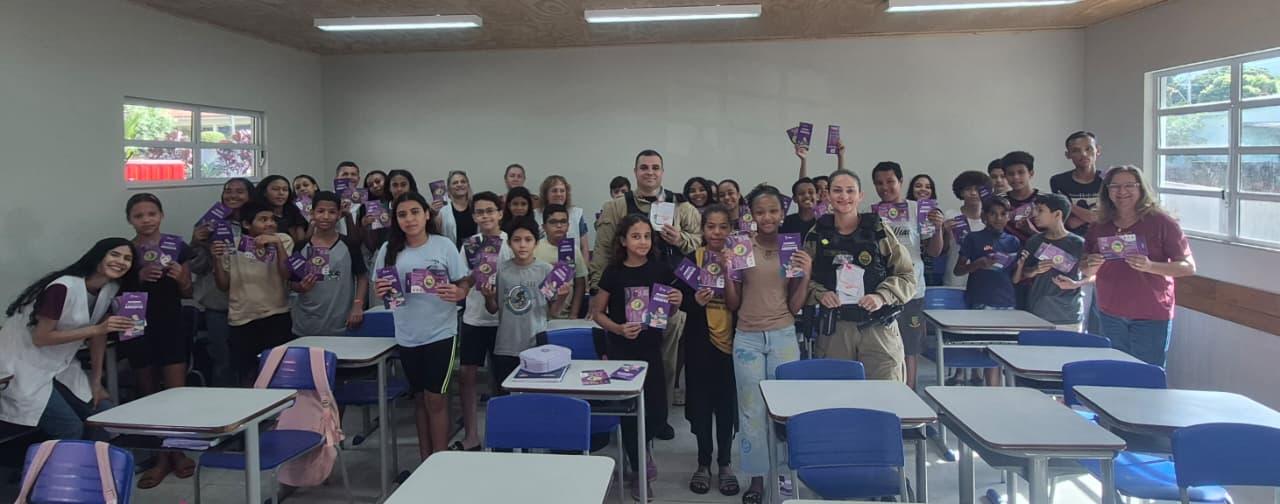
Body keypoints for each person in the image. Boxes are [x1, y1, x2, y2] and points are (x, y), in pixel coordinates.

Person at [590, 149, 702, 442]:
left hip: (667, 292)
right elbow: (602, 249)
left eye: (655, 167)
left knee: (664, 361)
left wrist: (681, 239)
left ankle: (658, 416)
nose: (649, 172)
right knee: (625, 358)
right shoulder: (615, 207)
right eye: (644, 167)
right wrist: (597, 287)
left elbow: (699, 243)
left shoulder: (683, 207)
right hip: (623, 298)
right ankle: (626, 418)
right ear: (635, 171)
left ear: (662, 172)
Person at [0, 238, 135, 443]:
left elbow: (100, 335)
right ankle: (50, 474)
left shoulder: (110, 289)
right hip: (21, 366)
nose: (121, 261)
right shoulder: (63, 287)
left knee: (105, 417)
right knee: (70, 428)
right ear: (98, 256)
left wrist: (96, 382)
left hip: (59, 365)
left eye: (127, 258)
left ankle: (93, 468)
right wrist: (97, 328)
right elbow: (41, 337)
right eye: (114, 254)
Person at [726, 184, 812, 504]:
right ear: (751, 214)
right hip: (747, 336)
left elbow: (794, 307)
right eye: (760, 211)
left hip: (783, 335)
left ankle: (782, 473)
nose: (767, 217)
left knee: (783, 411)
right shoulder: (740, 247)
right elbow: (733, 304)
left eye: (773, 211)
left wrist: (806, 274)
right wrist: (727, 272)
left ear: (781, 213)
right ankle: (758, 478)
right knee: (751, 412)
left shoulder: (791, 247)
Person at [591, 213, 684, 500]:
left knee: (656, 411)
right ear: (623, 241)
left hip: (650, 348)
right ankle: (638, 471)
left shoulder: (661, 269)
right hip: (622, 350)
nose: (642, 241)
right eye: (635, 236)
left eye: (646, 236)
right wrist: (618, 328)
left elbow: (667, 310)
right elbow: (597, 313)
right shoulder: (613, 272)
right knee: (630, 413)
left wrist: (675, 302)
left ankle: (642, 451)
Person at [373, 192, 471, 460]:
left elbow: (464, 282)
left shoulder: (444, 246)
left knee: (436, 398)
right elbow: (379, 285)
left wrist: (459, 292)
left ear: (427, 214)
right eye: (402, 214)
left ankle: (440, 462)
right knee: (419, 399)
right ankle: (425, 459)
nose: (409, 219)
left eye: (415, 212)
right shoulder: (388, 249)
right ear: (396, 219)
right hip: (407, 334)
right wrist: (381, 289)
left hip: (441, 331)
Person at [804, 169, 916, 379]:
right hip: (836, 329)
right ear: (827, 195)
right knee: (837, 398)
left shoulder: (879, 231)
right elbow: (802, 280)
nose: (844, 197)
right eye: (837, 190)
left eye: (850, 191)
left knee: (887, 398)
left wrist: (882, 296)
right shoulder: (817, 234)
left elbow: (907, 276)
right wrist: (820, 294)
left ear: (860, 196)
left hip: (878, 326)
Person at [1081, 166, 1195, 367]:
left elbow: (1187, 267)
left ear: (1141, 188)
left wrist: (1150, 266)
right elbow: (1085, 268)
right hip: (1109, 312)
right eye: (1114, 186)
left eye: (1129, 185)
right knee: (1114, 372)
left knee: (1146, 376)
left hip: (1150, 313)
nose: (1121, 191)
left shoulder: (1162, 222)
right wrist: (1091, 265)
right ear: (1106, 191)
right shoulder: (1100, 224)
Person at [123, 194, 197, 487]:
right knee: (149, 393)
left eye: (151, 213)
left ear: (161, 215)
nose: (146, 220)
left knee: (176, 395)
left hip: (170, 323)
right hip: (137, 326)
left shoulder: (177, 246)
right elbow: (117, 290)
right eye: (139, 215)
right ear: (130, 220)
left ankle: (176, 451)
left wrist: (180, 278)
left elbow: (189, 291)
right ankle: (159, 457)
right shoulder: (125, 251)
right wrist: (138, 276)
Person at [675, 205, 739, 497]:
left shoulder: (740, 259)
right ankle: (703, 463)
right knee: (700, 407)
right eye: (711, 227)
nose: (717, 232)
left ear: (731, 229)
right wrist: (695, 301)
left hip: (734, 345)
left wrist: (728, 272)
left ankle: (725, 463)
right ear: (702, 230)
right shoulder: (691, 260)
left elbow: (750, 299)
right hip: (700, 345)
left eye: (723, 227)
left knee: (727, 407)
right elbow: (678, 300)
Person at [870, 162, 942, 391]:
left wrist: (938, 229)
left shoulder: (918, 209)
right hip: (883, 289)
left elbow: (933, 251)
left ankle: (910, 390)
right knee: (884, 343)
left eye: (890, 181)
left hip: (913, 288)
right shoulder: (872, 214)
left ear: (900, 182)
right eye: (879, 183)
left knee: (910, 345)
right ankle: (890, 388)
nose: (885, 187)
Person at [481, 217, 571, 388]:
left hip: (537, 345)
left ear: (536, 243)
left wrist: (562, 297)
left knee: (535, 394)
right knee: (505, 395)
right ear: (509, 243)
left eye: (528, 240)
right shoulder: (501, 271)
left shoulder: (546, 270)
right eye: (517, 240)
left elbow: (553, 313)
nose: (522, 245)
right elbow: (493, 309)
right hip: (505, 346)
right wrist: (488, 297)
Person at [212, 200, 295, 384]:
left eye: (272, 219)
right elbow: (223, 285)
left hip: (277, 314)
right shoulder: (231, 244)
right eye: (263, 220)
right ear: (247, 224)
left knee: (279, 373)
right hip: (242, 318)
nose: (270, 224)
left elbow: (286, 274)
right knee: (247, 375)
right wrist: (217, 260)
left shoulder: (283, 239)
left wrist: (278, 245)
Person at [455, 191, 513, 452]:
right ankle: (471, 435)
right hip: (474, 319)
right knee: (467, 376)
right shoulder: (469, 244)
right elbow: (461, 279)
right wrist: (471, 281)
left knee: (503, 381)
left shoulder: (511, 242)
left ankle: (503, 434)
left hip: (504, 321)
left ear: (500, 213)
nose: (485, 216)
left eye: (490, 210)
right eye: (479, 212)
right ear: (474, 215)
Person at [188, 177, 253, 387]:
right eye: (228, 190)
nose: (233, 195)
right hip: (219, 304)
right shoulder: (206, 224)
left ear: (251, 195)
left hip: (252, 304)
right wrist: (198, 243)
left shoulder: (259, 222)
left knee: (250, 361)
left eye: (239, 191)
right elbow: (196, 267)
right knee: (222, 361)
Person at [955, 196, 1020, 386]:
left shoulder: (1013, 241)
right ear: (984, 216)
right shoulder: (973, 238)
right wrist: (976, 265)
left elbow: (1016, 276)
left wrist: (1022, 264)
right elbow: (958, 270)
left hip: (1007, 301)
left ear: (1009, 217)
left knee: (1004, 350)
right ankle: (991, 389)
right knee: (987, 349)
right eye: (993, 214)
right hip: (980, 299)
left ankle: (998, 390)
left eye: (1003, 214)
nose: (998, 218)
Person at [291, 191, 369, 337]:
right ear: (312, 213)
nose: (326, 216)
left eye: (332, 212)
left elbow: (362, 276)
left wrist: (358, 306)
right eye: (320, 211)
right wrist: (300, 286)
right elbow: (292, 282)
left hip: (341, 322)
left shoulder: (350, 244)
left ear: (339, 215)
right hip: (306, 323)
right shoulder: (300, 246)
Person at [1014, 194, 1086, 332]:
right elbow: (1023, 273)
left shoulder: (1079, 244)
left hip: (1069, 314)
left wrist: (1076, 284)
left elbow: (1094, 275)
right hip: (1037, 312)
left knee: (1069, 352)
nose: (1035, 214)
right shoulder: (1034, 241)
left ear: (1057, 214)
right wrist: (1035, 270)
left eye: (1040, 210)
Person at [533, 204, 587, 319]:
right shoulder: (535, 249)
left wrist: (574, 314)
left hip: (567, 316)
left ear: (568, 226)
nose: (559, 226)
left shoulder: (574, 250)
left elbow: (580, 284)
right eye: (553, 222)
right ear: (544, 226)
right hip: (540, 316)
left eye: (563, 222)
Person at [942, 171, 992, 287]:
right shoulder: (950, 215)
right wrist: (945, 232)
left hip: (983, 283)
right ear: (961, 192)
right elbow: (942, 251)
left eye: (978, 189)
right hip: (954, 280)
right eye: (968, 189)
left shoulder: (992, 220)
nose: (973, 193)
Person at [1052, 131, 1103, 237]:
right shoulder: (1059, 181)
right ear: (1068, 155)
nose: (1083, 154)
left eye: (1088, 149)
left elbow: (1115, 215)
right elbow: (1070, 223)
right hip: (1073, 239)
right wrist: (1097, 214)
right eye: (1076, 150)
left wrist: (1070, 206)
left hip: (1105, 237)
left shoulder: (1109, 179)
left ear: (1098, 150)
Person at [535, 175, 591, 260]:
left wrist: (585, 268)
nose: (559, 194)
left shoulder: (577, 214)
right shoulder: (535, 216)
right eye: (554, 191)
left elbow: (584, 247)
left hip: (572, 266)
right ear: (546, 194)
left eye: (562, 191)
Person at [907, 174, 943, 286]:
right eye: (918, 186)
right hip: (904, 268)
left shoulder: (935, 214)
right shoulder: (900, 211)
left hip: (926, 271)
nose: (923, 189)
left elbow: (935, 252)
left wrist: (939, 228)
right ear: (911, 189)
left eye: (928, 187)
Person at [255, 175, 308, 245]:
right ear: (264, 192)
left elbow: (301, 241)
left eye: (285, 190)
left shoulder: (294, 211)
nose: (281, 193)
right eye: (275, 189)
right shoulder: (259, 215)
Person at [1001, 151, 1040, 243]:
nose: (1016, 177)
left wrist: (1031, 231)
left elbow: (1054, 237)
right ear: (1005, 176)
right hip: (1005, 253)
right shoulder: (999, 201)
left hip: (1038, 254)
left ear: (1031, 173)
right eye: (1010, 173)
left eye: (1021, 172)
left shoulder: (1046, 200)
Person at [435, 170, 475, 248]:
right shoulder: (443, 211)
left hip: (476, 255)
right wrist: (434, 214)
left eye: (463, 182)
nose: (459, 184)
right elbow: (436, 236)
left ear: (468, 185)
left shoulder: (476, 206)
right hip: (453, 254)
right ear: (449, 188)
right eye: (455, 183)